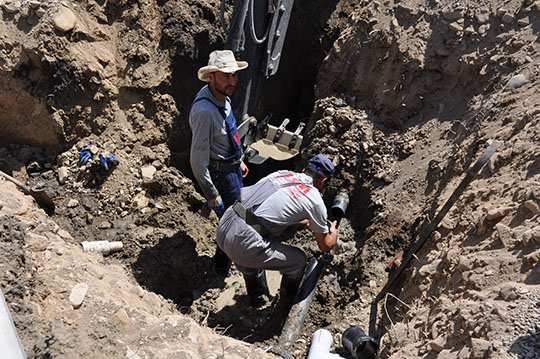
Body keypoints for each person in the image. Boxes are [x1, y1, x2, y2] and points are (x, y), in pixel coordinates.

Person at [216, 154, 339, 307]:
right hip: (241, 242)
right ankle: (285, 306)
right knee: (299, 261)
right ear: (324, 181)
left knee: (256, 251)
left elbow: (261, 208)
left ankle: (258, 299)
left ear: (303, 170)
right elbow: (324, 246)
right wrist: (332, 237)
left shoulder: (281, 174)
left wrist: (296, 221)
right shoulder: (315, 199)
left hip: (225, 225)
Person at [189, 50, 250, 277]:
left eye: (234, 75)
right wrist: (212, 194)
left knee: (237, 217)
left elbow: (229, 134)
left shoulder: (222, 97)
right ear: (211, 76)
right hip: (220, 176)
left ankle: (226, 260)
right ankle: (221, 268)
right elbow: (197, 160)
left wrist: (239, 160)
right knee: (233, 223)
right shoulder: (204, 111)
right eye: (226, 76)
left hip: (231, 169)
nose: (232, 81)